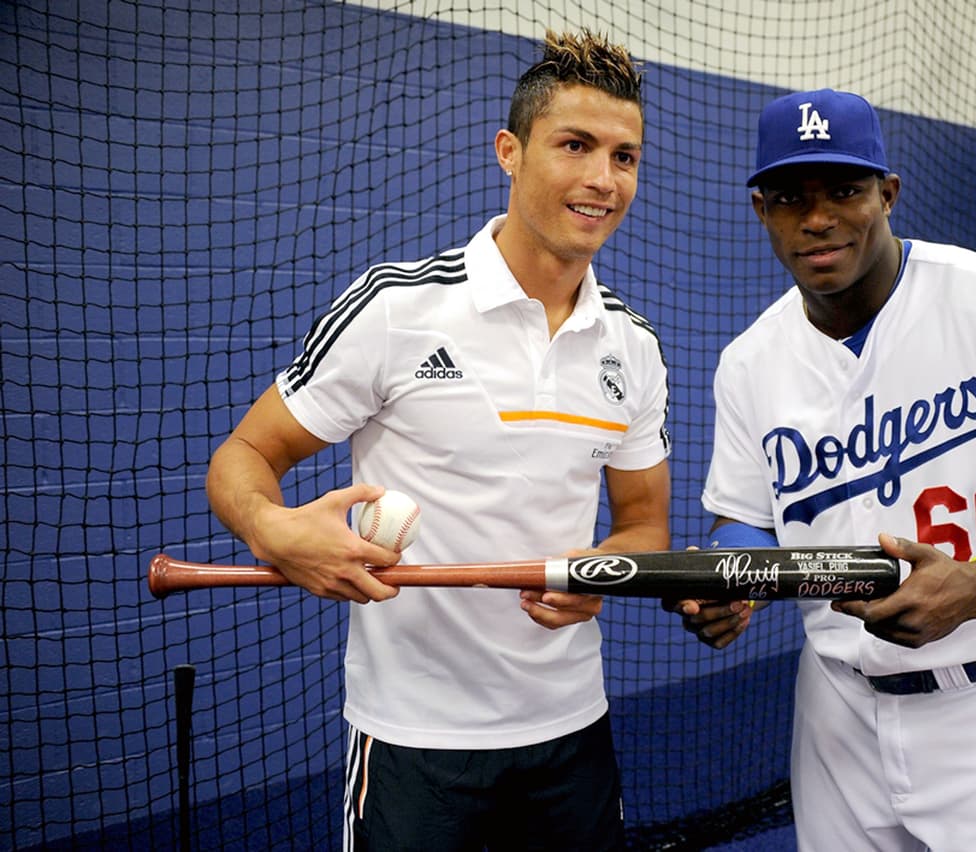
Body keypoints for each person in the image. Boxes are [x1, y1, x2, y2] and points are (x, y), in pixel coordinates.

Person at [205, 30, 670, 851]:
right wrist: (274, 530)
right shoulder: (396, 308)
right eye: (575, 146)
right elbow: (243, 457)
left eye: (624, 156)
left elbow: (643, 528)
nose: (603, 179)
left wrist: (606, 579)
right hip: (414, 740)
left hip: (570, 728)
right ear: (509, 152)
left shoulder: (632, 345)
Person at [669, 89, 976, 852]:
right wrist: (736, 580)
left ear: (888, 194)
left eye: (845, 189)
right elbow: (748, 516)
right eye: (792, 196)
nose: (819, 216)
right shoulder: (748, 365)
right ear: (762, 208)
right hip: (837, 713)